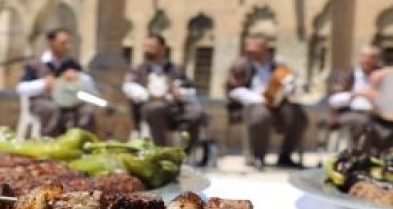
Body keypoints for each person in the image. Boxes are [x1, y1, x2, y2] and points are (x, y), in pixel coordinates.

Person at [226, 32, 308, 168]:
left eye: (255, 48)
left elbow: (287, 84)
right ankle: (258, 157)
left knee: (299, 116)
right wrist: (259, 99)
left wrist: (289, 88)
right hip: (255, 104)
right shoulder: (241, 66)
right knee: (261, 116)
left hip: (277, 104)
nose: (250, 51)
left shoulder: (277, 66)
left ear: (265, 49)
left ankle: (285, 155)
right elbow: (234, 90)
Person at [123, 34, 208, 155]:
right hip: (150, 107)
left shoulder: (175, 69)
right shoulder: (138, 69)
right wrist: (151, 94)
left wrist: (178, 92)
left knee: (196, 113)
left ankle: (185, 153)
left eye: (152, 46)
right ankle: (161, 152)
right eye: (146, 46)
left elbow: (189, 89)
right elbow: (129, 87)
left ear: (162, 48)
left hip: (174, 108)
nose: (147, 49)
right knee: (157, 108)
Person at [17, 28, 98, 135]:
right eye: (63, 43)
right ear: (51, 43)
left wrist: (79, 77)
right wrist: (44, 83)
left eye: (69, 43)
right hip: (43, 101)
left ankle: (82, 142)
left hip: (70, 102)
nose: (67, 46)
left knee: (86, 112)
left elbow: (91, 87)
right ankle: (50, 141)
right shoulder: (35, 64)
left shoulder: (71, 64)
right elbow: (21, 88)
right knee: (53, 109)